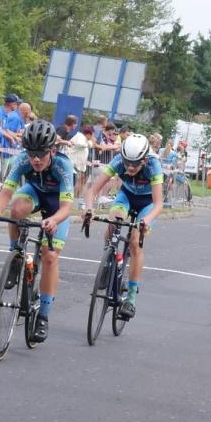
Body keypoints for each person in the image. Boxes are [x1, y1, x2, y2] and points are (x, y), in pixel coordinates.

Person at [0, 120, 75, 345]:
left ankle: (43, 316)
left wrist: (53, 220)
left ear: (52, 150)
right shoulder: (22, 160)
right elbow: (6, 192)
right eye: (31, 154)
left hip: (57, 204)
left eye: (40, 154)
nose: (35, 159)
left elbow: (66, 208)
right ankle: (16, 256)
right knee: (16, 209)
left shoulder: (63, 165)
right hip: (34, 192)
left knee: (50, 256)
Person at [80, 133, 164, 320]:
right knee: (113, 223)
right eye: (127, 163)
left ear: (144, 160)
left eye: (135, 164)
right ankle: (109, 261)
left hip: (148, 203)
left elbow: (159, 204)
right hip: (126, 196)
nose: (130, 167)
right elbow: (92, 191)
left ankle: (131, 299)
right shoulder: (118, 161)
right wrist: (89, 209)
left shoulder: (154, 165)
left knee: (135, 242)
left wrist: (146, 221)